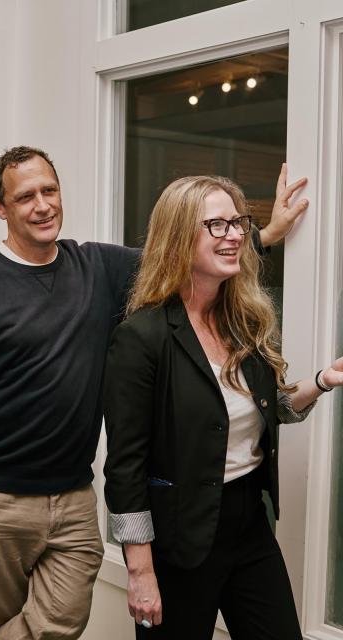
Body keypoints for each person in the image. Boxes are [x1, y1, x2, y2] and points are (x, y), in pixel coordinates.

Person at [0, 146, 307, 640]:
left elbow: (182, 249)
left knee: (61, 619)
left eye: (49, 190)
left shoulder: (96, 266)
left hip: (74, 494)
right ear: (0, 207)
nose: (42, 205)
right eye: (25, 197)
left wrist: (262, 235)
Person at [103, 174, 343, 639]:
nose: (234, 235)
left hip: (249, 522)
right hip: (179, 537)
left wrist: (321, 382)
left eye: (237, 223)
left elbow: (266, 409)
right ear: (178, 237)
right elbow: (125, 466)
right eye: (217, 225)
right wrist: (140, 570)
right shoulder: (142, 338)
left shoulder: (241, 320)